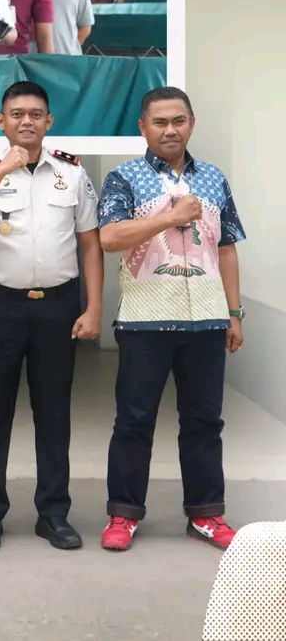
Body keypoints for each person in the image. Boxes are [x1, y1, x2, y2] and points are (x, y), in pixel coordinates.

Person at [0, 81, 103, 554]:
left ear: (48, 121)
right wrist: (2, 170)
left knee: (54, 414)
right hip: (2, 305)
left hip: (59, 306)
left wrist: (93, 307)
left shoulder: (71, 172)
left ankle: (53, 513)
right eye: (16, 114)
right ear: (1, 122)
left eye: (36, 114)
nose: (26, 121)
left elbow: (90, 243)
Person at [97, 86, 246, 552]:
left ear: (191, 124)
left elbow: (227, 248)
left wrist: (234, 313)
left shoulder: (214, 179)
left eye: (178, 121)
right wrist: (170, 217)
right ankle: (123, 515)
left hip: (207, 321)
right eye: (159, 122)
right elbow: (109, 238)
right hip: (145, 322)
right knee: (134, 421)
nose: (170, 130)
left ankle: (206, 514)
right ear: (143, 127)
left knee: (204, 422)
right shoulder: (124, 178)